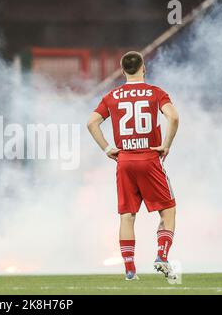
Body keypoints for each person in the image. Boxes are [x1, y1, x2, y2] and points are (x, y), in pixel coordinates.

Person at [87, 51, 179, 280]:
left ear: (122, 70)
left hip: (125, 160)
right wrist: (165, 145)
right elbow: (174, 117)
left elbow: (91, 123)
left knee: (127, 216)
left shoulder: (112, 96)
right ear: (143, 68)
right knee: (168, 210)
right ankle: (162, 257)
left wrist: (108, 148)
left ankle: (129, 270)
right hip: (149, 158)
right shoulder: (156, 93)